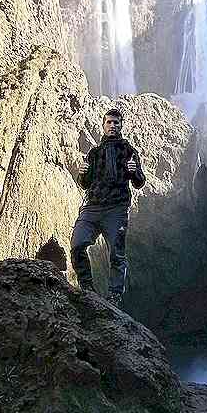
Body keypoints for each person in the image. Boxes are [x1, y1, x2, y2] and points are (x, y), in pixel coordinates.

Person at [71, 108, 145, 306]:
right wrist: (82, 173)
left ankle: (115, 296)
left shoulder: (129, 150)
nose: (112, 125)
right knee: (77, 245)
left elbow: (139, 182)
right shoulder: (94, 153)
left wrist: (135, 171)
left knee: (117, 254)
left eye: (116, 122)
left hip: (116, 209)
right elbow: (85, 183)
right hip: (92, 208)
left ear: (121, 126)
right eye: (109, 122)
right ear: (103, 126)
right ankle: (87, 287)